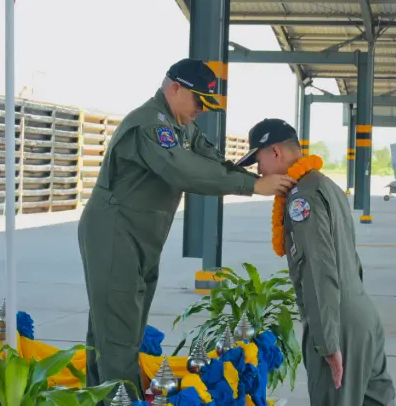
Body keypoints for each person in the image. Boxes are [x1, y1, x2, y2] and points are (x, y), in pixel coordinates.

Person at [77, 59, 297, 403]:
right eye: (198, 101)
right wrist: (253, 186)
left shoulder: (181, 126)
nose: (201, 111)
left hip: (141, 237)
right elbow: (183, 170)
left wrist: (252, 177)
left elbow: (210, 160)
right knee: (118, 336)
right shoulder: (152, 124)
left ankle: (100, 398)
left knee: (118, 331)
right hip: (115, 234)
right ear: (175, 88)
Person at [236, 118, 396, 406]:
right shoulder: (325, 184)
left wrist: (328, 342)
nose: (258, 171)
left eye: (258, 161)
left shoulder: (302, 197)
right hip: (361, 316)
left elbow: (318, 270)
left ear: (275, 151)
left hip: (336, 322)